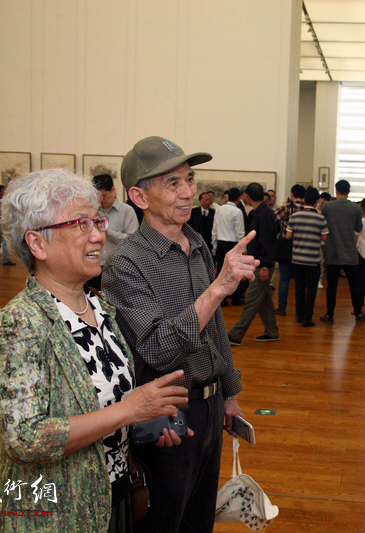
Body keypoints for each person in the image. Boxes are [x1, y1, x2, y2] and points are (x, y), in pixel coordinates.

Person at [0, 169, 191, 533]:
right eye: (80, 224)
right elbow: (25, 439)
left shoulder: (101, 306)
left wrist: (144, 421)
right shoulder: (19, 322)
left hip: (113, 497)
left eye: (97, 220)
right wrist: (129, 409)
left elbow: (106, 406)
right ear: (37, 243)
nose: (98, 234)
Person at [102, 135, 256, 533]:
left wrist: (230, 395)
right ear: (139, 196)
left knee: (199, 520)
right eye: (173, 184)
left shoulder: (196, 244)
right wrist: (219, 288)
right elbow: (157, 349)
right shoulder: (126, 265)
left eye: (189, 179)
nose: (188, 192)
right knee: (163, 522)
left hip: (209, 406)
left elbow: (216, 327)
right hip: (167, 416)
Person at [227, 183, 280, 345]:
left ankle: (235, 335)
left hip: (262, 264)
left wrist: (264, 266)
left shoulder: (263, 215)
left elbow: (267, 243)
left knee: (251, 299)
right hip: (260, 262)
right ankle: (272, 332)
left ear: (247, 196)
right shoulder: (262, 212)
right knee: (264, 300)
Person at [320, 180, 365, 323]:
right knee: (354, 285)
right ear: (349, 191)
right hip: (350, 251)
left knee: (331, 286)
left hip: (332, 250)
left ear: (336, 190)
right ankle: (358, 313)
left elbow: (322, 224)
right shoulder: (356, 208)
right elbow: (358, 228)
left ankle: (329, 315)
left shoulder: (327, 206)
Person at [87, 174, 139, 292]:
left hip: (119, 269)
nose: (101, 200)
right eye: (98, 196)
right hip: (96, 268)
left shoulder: (127, 211)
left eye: (104, 195)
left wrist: (107, 231)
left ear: (113, 190)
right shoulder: (93, 212)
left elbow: (132, 242)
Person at [286, 187, 328, 327]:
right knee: (311, 289)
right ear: (317, 202)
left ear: (304, 200)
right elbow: (324, 238)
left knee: (299, 287)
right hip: (313, 259)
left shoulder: (295, 216)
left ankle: (299, 314)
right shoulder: (321, 219)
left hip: (297, 259)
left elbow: (288, 236)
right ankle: (307, 318)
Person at [273, 184, 305, 316]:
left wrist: (284, 204)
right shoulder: (306, 209)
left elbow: (273, 217)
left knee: (284, 279)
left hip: (286, 247)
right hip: (302, 246)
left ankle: (281, 308)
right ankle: (300, 310)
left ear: (292, 195)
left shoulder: (286, 208)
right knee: (300, 281)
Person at [211, 187, 245, 306]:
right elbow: (240, 232)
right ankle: (235, 298)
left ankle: (222, 300)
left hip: (220, 242)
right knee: (235, 271)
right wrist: (243, 249)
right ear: (239, 199)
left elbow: (214, 229)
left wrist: (214, 245)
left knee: (221, 271)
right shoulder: (237, 212)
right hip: (233, 244)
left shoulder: (219, 209)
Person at [0, 185, 16, 266]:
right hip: (3, 222)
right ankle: (5, 260)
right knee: (5, 242)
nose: (5, 191)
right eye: (3, 190)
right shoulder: (3, 200)